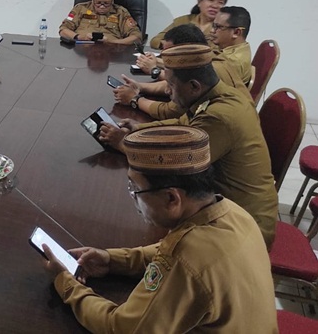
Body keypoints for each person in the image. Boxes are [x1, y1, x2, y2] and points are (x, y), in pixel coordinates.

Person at [41, 126, 277, 333]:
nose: (132, 197)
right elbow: (168, 254)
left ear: (171, 198)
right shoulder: (233, 212)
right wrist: (112, 260)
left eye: (135, 188)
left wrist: (67, 284)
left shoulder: (189, 257)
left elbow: (122, 328)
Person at [100, 44, 278, 247]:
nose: (168, 90)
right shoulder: (217, 96)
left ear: (194, 86)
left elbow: (174, 164)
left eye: (171, 85)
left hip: (243, 226)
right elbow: (182, 124)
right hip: (225, 205)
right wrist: (139, 129)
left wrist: (123, 144)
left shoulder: (219, 116)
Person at [114, 24, 250, 119]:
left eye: (169, 53)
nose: (163, 57)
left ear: (185, 51)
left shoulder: (208, 71)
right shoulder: (205, 59)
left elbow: (169, 112)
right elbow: (172, 85)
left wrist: (134, 99)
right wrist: (140, 86)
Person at [58, 0, 141, 45]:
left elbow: (136, 37)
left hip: (111, 52)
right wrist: (79, 37)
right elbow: (63, 29)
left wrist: (112, 42)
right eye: (98, 3)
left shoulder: (121, 12)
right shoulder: (80, 8)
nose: (102, 6)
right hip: (82, 51)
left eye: (106, 3)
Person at [148, 0, 228, 49]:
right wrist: (168, 45)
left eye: (220, 2)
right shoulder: (183, 21)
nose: (215, 6)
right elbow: (155, 41)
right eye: (211, 0)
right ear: (199, 2)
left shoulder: (223, 28)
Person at [210, 5, 252, 85]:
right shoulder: (229, 46)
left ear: (236, 32)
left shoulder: (232, 62)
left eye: (218, 27)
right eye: (213, 25)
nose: (212, 30)